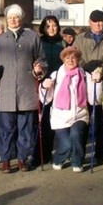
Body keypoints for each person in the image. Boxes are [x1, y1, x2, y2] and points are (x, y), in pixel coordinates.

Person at [0, 4, 46, 173]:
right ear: (7, 19)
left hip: (26, 92)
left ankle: (22, 159)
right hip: (5, 93)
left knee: (26, 130)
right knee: (5, 130)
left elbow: (42, 59)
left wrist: (39, 67)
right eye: (10, 17)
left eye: (16, 17)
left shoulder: (32, 37)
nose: (13, 20)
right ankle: (5, 160)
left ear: (21, 18)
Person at [41, 47, 100, 173]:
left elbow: (94, 100)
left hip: (80, 114)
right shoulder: (56, 75)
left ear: (78, 59)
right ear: (63, 59)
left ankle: (77, 162)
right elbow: (46, 99)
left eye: (74, 57)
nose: (71, 60)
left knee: (76, 134)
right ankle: (58, 159)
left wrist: (97, 83)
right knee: (66, 144)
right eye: (67, 57)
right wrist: (44, 87)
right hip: (60, 116)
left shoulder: (85, 75)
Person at [72, 10, 103, 163]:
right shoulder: (80, 39)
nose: (99, 24)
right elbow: (73, 57)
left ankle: (101, 154)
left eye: (101, 21)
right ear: (90, 22)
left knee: (102, 120)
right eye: (95, 21)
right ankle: (78, 155)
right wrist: (87, 68)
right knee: (83, 120)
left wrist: (101, 68)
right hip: (84, 83)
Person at [35, 15, 64, 166]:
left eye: (54, 25)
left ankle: (60, 152)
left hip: (61, 85)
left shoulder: (63, 42)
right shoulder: (39, 42)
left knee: (59, 121)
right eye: (48, 26)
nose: (51, 28)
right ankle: (42, 154)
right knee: (44, 121)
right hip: (44, 85)